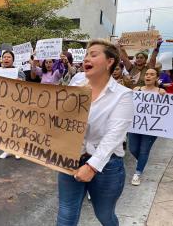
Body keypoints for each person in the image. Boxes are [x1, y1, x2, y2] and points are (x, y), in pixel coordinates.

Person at [57, 39, 133, 226]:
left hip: (106, 166)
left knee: (104, 215)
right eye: (85, 55)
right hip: (71, 159)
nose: (86, 59)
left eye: (93, 54)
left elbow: (113, 138)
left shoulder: (123, 96)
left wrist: (92, 167)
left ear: (109, 62)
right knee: (66, 214)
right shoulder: (76, 82)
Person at [128, 68, 165, 186]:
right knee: (133, 149)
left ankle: (137, 173)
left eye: (152, 74)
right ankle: (142, 160)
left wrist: (164, 96)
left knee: (144, 150)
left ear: (157, 78)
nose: (148, 76)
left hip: (151, 129)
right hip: (135, 126)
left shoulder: (161, 92)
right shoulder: (136, 90)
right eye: (147, 74)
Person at [0, 50, 23, 159]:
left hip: (16, 102)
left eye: (9, 57)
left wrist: (20, 81)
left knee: (16, 127)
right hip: (2, 103)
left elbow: (25, 86)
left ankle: (18, 149)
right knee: (4, 127)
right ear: (2, 59)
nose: (6, 59)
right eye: (5, 57)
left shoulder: (18, 71)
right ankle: (6, 149)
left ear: (13, 60)